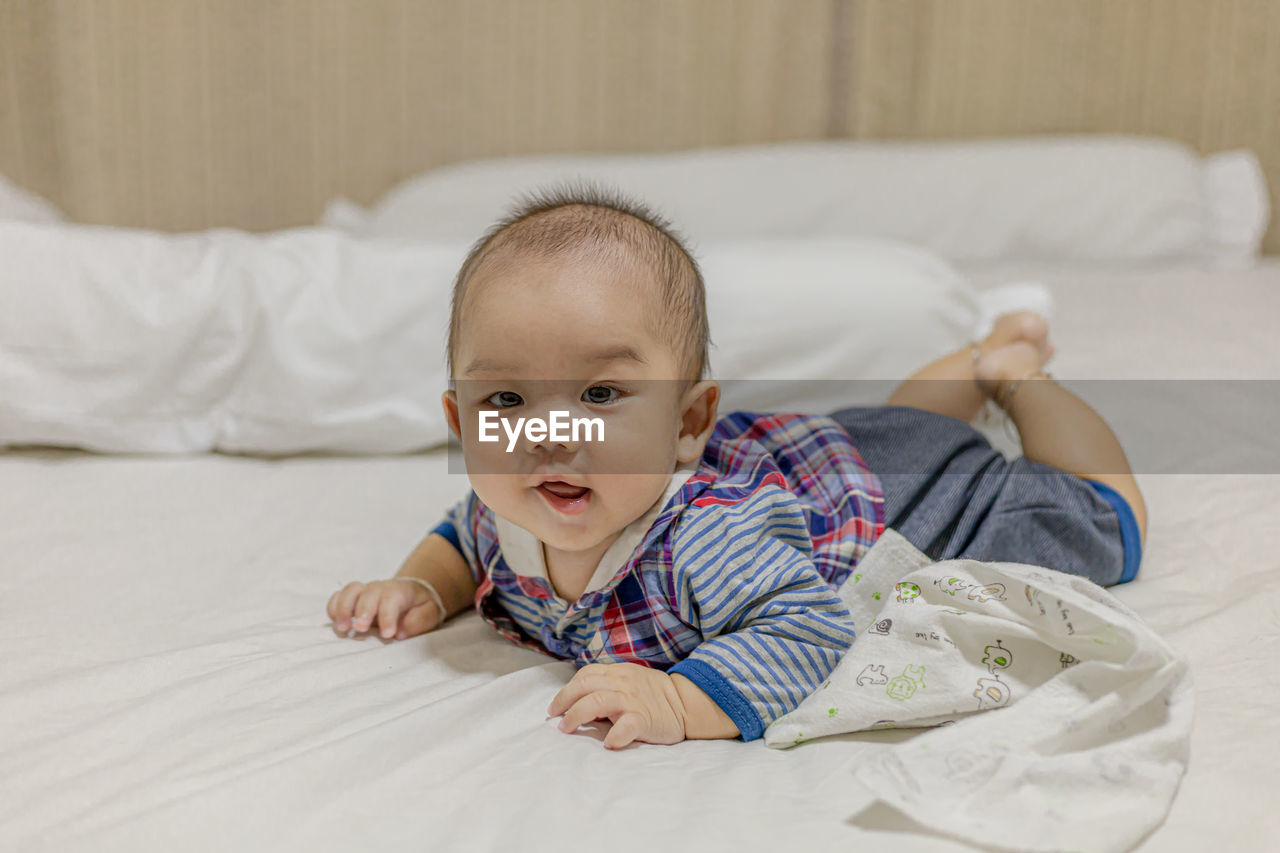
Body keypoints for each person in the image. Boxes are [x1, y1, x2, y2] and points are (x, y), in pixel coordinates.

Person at [326, 185, 1146, 748]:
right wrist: (422, 585)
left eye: (602, 391)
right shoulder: (512, 499)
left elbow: (810, 628)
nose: (550, 433)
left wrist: (684, 699)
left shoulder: (707, 542)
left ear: (688, 424)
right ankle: (980, 351)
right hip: (831, 455)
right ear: (459, 423)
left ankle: (1014, 373)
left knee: (1105, 528)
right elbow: (462, 537)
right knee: (893, 429)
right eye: (505, 398)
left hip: (908, 501)